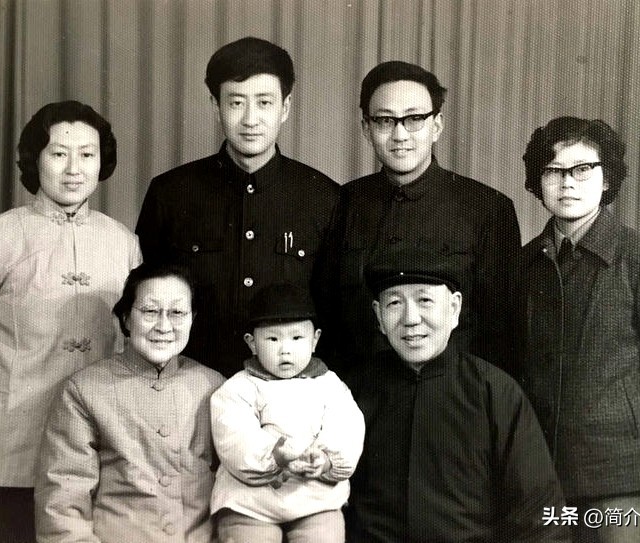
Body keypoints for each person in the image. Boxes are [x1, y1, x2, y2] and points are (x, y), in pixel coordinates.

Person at [0, 101, 141, 543]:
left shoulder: (123, 243)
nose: (74, 169)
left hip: (90, 455)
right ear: (35, 160)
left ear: (102, 162)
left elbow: (132, 348)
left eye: (87, 154)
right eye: (59, 153)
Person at [135, 37, 339, 377]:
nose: (250, 119)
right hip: (187, 385)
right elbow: (145, 302)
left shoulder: (322, 197)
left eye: (264, 102)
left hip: (289, 393)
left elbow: (334, 314)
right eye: (236, 103)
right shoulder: (170, 193)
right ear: (216, 106)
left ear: (285, 107)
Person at [520, 116, 640, 543]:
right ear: (538, 182)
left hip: (626, 471)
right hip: (545, 466)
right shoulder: (524, 264)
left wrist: (633, 429)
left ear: (607, 179)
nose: (567, 182)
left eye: (583, 169)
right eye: (553, 171)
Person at [346, 244, 569, 542]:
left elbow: (539, 517)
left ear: (454, 308)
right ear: (378, 316)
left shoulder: (494, 393)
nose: (410, 319)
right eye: (395, 303)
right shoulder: (348, 394)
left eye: (424, 300)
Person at [322, 61, 522, 378]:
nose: (400, 134)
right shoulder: (339, 204)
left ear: (437, 125)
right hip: (356, 394)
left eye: (414, 119)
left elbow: (501, 333)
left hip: (454, 395)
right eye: (385, 121)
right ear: (366, 128)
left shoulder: (488, 208)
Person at [35, 263, 225, 542]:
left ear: (192, 318)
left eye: (177, 313)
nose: (164, 326)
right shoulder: (83, 390)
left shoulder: (215, 386)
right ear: (126, 318)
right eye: (149, 311)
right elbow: (64, 504)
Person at [210, 282, 364, 543]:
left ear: (315, 340)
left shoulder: (330, 385)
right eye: (273, 339)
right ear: (252, 343)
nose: (285, 349)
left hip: (315, 499)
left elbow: (347, 427)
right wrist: (275, 455)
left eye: (297, 338)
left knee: (325, 535)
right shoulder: (238, 388)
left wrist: (326, 460)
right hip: (251, 503)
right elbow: (234, 436)